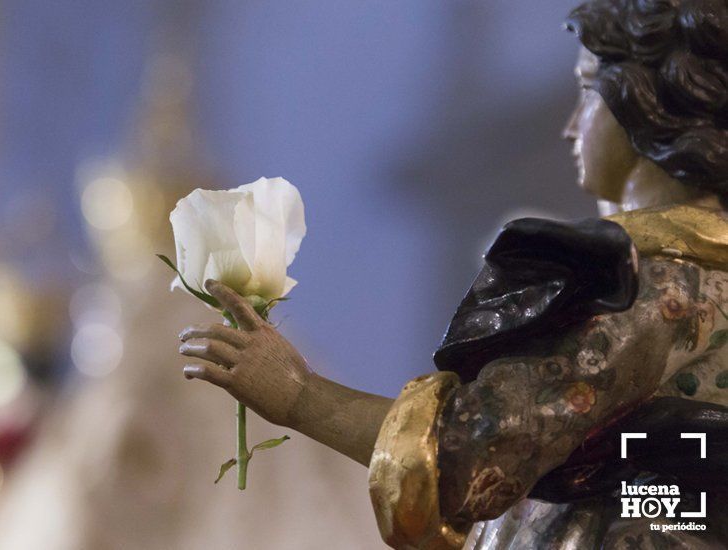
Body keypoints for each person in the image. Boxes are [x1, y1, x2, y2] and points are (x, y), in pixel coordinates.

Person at [178, 1, 728, 547]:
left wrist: (299, 396)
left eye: (587, 90)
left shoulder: (645, 284)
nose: (568, 127)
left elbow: (479, 448)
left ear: (647, 99)